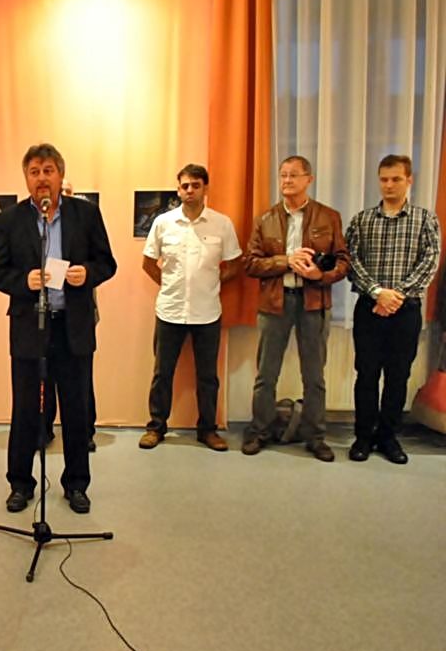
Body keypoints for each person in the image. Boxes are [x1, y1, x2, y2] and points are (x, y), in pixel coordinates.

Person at [0, 143, 116, 514]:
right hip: (30, 328)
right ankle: (20, 484)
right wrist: (22, 281)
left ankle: (76, 484)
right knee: (26, 410)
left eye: (48, 171)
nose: (41, 178)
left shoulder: (86, 214)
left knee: (76, 410)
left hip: (72, 328)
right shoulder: (10, 220)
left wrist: (87, 273)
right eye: (34, 172)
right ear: (26, 178)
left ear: (61, 174)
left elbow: (107, 263)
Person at [244, 155, 350, 461]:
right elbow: (250, 263)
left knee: (314, 375)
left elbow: (343, 262)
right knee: (266, 374)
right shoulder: (265, 219)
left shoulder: (328, 217)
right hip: (275, 302)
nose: (287, 181)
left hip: (314, 303)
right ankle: (260, 431)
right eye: (283, 175)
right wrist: (286, 261)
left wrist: (320, 275)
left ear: (309, 179)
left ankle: (316, 436)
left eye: (293, 175)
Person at [345, 154, 441, 464]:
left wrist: (396, 296)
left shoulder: (425, 220)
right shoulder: (361, 220)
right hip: (369, 309)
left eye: (396, 179)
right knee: (367, 374)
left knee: (398, 376)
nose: (389, 185)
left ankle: (388, 437)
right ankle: (362, 437)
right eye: (384, 179)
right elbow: (351, 262)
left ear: (409, 180)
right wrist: (377, 293)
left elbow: (430, 261)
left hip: (406, 311)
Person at [139, 164, 242, 451]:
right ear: (178, 190)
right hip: (169, 310)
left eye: (195, 185)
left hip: (207, 312)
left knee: (207, 376)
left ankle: (207, 430)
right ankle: (156, 427)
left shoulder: (222, 224)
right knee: (162, 374)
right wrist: (169, 284)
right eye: (184, 186)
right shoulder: (163, 222)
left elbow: (235, 264)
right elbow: (148, 263)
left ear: (205, 188)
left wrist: (213, 282)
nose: (190, 190)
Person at [44, 178, 98, 452]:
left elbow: (104, 262)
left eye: (66, 192)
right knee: (44, 380)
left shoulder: (83, 220)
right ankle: (44, 429)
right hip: (41, 317)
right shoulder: (34, 226)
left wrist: (87, 272)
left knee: (80, 384)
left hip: (76, 316)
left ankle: (84, 432)